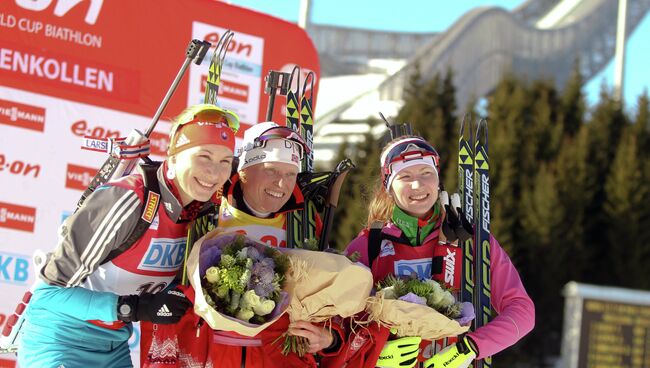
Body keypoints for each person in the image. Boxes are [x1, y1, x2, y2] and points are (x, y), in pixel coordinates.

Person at [17, 104, 240, 368]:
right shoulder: (131, 200)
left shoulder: (202, 216)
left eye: (224, 161)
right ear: (175, 155)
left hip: (113, 346)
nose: (214, 173)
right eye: (203, 156)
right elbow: (47, 296)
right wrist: (134, 308)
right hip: (59, 341)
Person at [142, 121, 342, 368]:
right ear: (244, 170)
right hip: (206, 352)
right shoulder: (205, 209)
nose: (282, 184)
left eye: (290, 174)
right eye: (271, 171)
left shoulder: (304, 222)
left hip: (276, 356)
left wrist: (328, 337)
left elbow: (327, 299)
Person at [327, 135, 535, 368]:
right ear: (388, 187)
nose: (418, 185)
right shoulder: (368, 245)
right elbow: (336, 326)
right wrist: (375, 351)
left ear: (437, 181)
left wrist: (470, 348)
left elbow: (522, 312)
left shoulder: (470, 238)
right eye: (405, 176)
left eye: (426, 173)